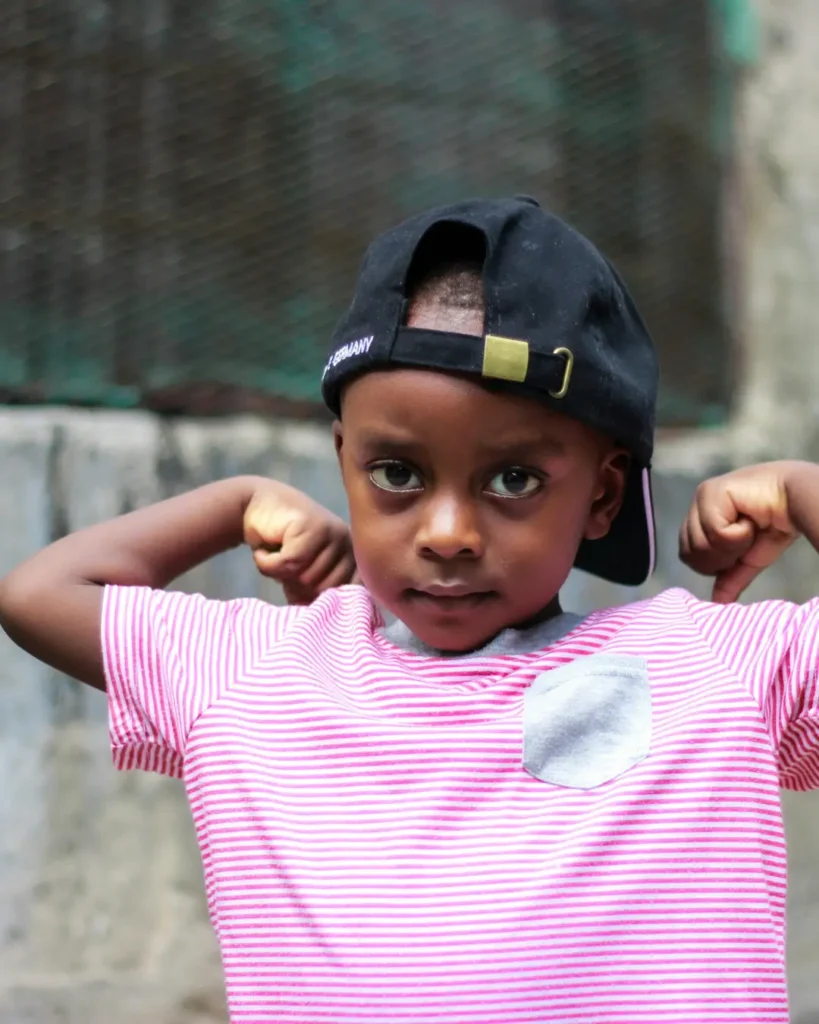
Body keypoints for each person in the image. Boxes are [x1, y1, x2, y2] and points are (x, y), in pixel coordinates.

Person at [0, 196, 816, 1024]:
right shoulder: (262, 671)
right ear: (344, 461)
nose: (449, 534)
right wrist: (233, 502)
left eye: (513, 480)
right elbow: (38, 595)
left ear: (602, 495)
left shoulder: (706, 670)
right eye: (395, 474)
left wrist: (799, 488)